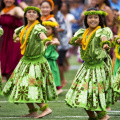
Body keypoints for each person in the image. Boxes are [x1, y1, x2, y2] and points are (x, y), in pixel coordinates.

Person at [2, 6, 58, 118]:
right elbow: (17, 37)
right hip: (26, 61)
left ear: (38, 16)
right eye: (29, 12)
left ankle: (45, 108)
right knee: (21, 85)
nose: (31, 14)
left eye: (34, 12)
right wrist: (18, 38)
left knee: (29, 85)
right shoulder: (23, 28)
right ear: (25, 15)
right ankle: (32, 110)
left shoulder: (38, 27)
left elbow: (42, 36)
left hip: (36, 62)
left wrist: (46, 41)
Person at [65, 7, 116, 120]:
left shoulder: (103, 31)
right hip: (86, 67)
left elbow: (104, 38)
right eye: (90, 17)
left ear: (100, 19)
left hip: (98, 68)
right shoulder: (83, 32)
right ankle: (92, 117)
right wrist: (76, 41)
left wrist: (105, 44)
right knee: (82, 94)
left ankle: (103, 116)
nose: (93, 19)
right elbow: (71, 41)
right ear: (86, 19)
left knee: (93, 94)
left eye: (95, 17)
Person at [0, 0, 24, 81]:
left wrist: (24, 7)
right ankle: (9, 86)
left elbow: (23, 14)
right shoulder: (2, 10)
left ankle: (18, 85)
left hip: (15, 40)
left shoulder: (16, 9)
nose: (8, 0)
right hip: (4, 41)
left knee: (13, 62)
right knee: (5, 63)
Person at [42, 20, 62, 94]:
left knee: (53, 74)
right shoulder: (41, 38)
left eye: (48, 29)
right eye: (44, 28)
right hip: (43, 60)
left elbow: (58, 42)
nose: (46, 30)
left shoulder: (53, 38)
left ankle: (56, 88)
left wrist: (54, 42)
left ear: (53, 30)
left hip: (51, 61)